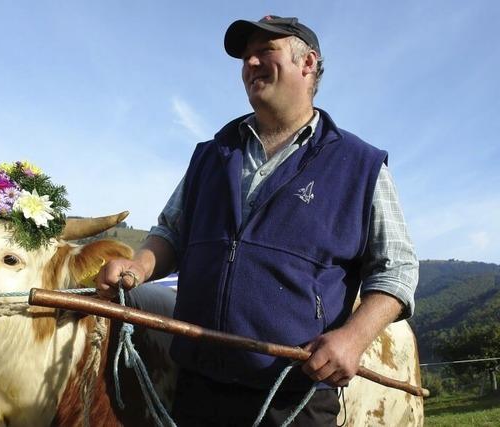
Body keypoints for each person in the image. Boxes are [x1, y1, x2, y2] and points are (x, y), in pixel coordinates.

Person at [96, 15, 418, 426]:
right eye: (245, 57)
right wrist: (138, 266)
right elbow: (172, 234)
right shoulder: (212, 155)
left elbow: (398, 269)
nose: (249, 64)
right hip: (197, 385)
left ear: (308, 63)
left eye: (264, 51)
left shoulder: (360, 165)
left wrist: (353, 339)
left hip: (294, 394)